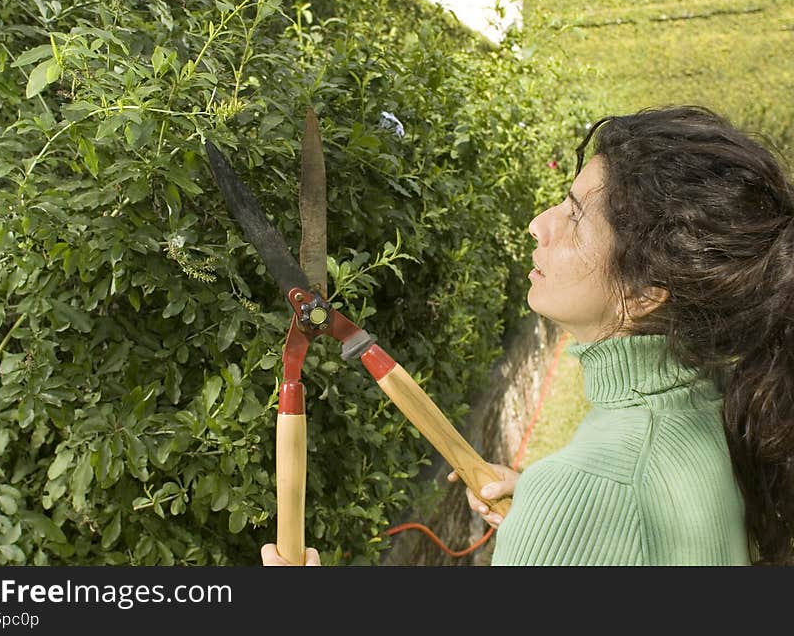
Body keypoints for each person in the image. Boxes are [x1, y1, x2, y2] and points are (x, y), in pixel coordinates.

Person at [262, 105, 794, 566]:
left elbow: (614, 495)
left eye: (576, 216)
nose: (539, 224)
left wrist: (562, 508)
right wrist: (552, 501)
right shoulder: (714, 405)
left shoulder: (587, 492)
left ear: (648, 291)